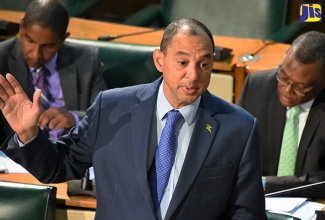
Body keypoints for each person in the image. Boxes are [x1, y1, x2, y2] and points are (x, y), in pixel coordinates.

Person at [0, 18, 266, 219]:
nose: (194, 75)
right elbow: (58, 166)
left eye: (204, 64)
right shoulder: (112, 107)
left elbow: (247, 213)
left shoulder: (238, 128)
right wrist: (28, 134)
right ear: (159, 60)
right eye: (183, 63)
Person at [0, 0, 106, 172]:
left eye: (48, 46)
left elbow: (104, 114)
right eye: (29, 40)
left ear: (64, 38)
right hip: (15, 162)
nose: (35, 54)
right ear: (21, 27)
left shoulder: (86, 60)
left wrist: (74, 118)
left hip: (69, 161)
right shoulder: (1, 59)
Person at [238, 31, 325, 198]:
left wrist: (267, 185)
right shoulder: (256, 87)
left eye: (300, 87)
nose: (286, 91)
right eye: (283, 77)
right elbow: (234, 152)